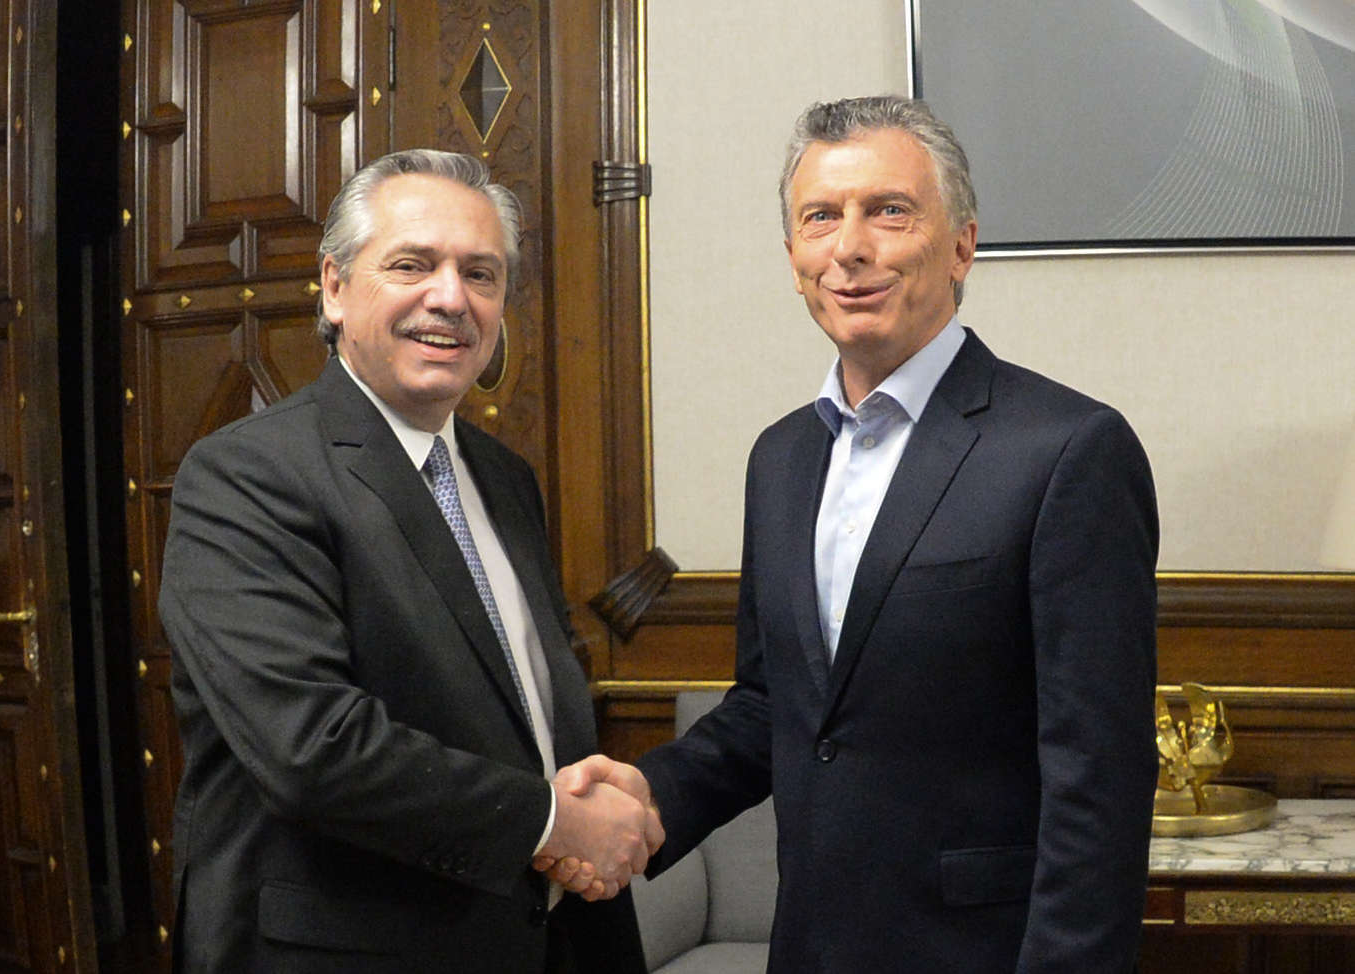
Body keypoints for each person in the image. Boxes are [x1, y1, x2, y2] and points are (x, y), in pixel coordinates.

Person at [557, 95, 1160, 972]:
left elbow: (1097, 773)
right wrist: (651, 792)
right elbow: (777, 707)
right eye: (820, 217)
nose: (851, 246)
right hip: (811, 944)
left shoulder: (1068, 449)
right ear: (795, 257)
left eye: (889, 211)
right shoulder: (782, 458)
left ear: (961, 245)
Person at [160, 149, 656, 974]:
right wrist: (553, 823)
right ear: (334, 286)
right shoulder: (245, 475)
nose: (451, 298)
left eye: (481, 273)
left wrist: (599, 798)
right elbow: (310, 748)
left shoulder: (504, 478)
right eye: (412, 264)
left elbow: (523, 702)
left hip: (540, 935)